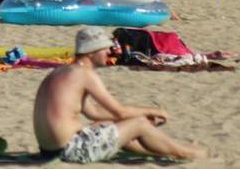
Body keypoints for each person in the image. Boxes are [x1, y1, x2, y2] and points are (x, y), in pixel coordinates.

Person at [33, 27, 207, 163]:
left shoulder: (62, 72)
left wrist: (138, 115)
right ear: (91, 51)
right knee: (139, 124)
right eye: (105, 49)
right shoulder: (85, 74)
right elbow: (120, 112)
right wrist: (152, 111)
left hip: (49, 149)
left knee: (109, 125)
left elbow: (93, 112)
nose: (110, 53)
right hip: (70, 149)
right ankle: (187, 152)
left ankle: (162, 149)